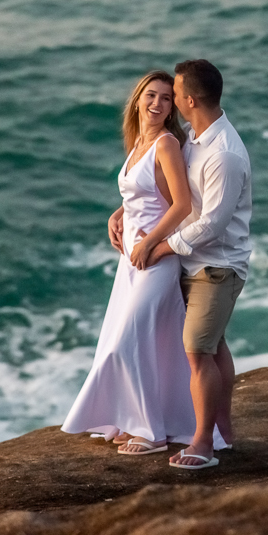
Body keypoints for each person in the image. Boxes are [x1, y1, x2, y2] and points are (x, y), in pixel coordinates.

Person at [61, 70, 229, 456]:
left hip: (155, 258)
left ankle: (151, 432)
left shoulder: (167, 144)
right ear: (137, 99)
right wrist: (117, 214)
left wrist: (151, 242)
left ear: (173, 107)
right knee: (149, 344)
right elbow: (145, 192)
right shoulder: (140, 141)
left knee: (127, 343)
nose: (157, 103)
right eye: (151, 95)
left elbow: (182, 205)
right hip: (131, 261)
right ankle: (139, 419)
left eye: (166, 99)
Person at [127, 59, 252, 470]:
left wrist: (160, 247)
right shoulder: (194, 140)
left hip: (216, 267)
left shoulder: (225, 155)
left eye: (175, 93)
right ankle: (224, 430)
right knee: (213, 345)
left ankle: (203, 443)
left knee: (197, 350)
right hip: (190, 261)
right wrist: (121, 213)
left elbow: (213, 225)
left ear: (189, 100)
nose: (171, 99)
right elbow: (162, 189)